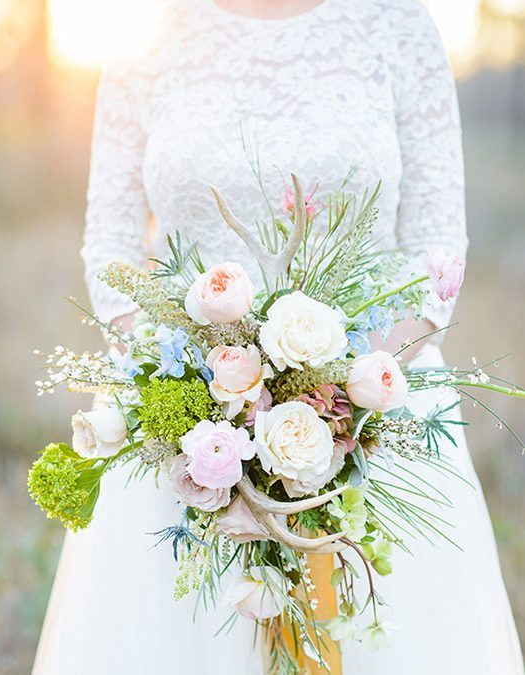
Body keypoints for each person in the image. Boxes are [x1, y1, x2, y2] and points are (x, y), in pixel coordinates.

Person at [32, 1, 524, 673]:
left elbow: (437, 246)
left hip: (374, 422)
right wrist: (204, 399)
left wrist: (339, 393)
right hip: (187, 436)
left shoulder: (398, 26)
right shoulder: (145, 40)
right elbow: (112, 251)